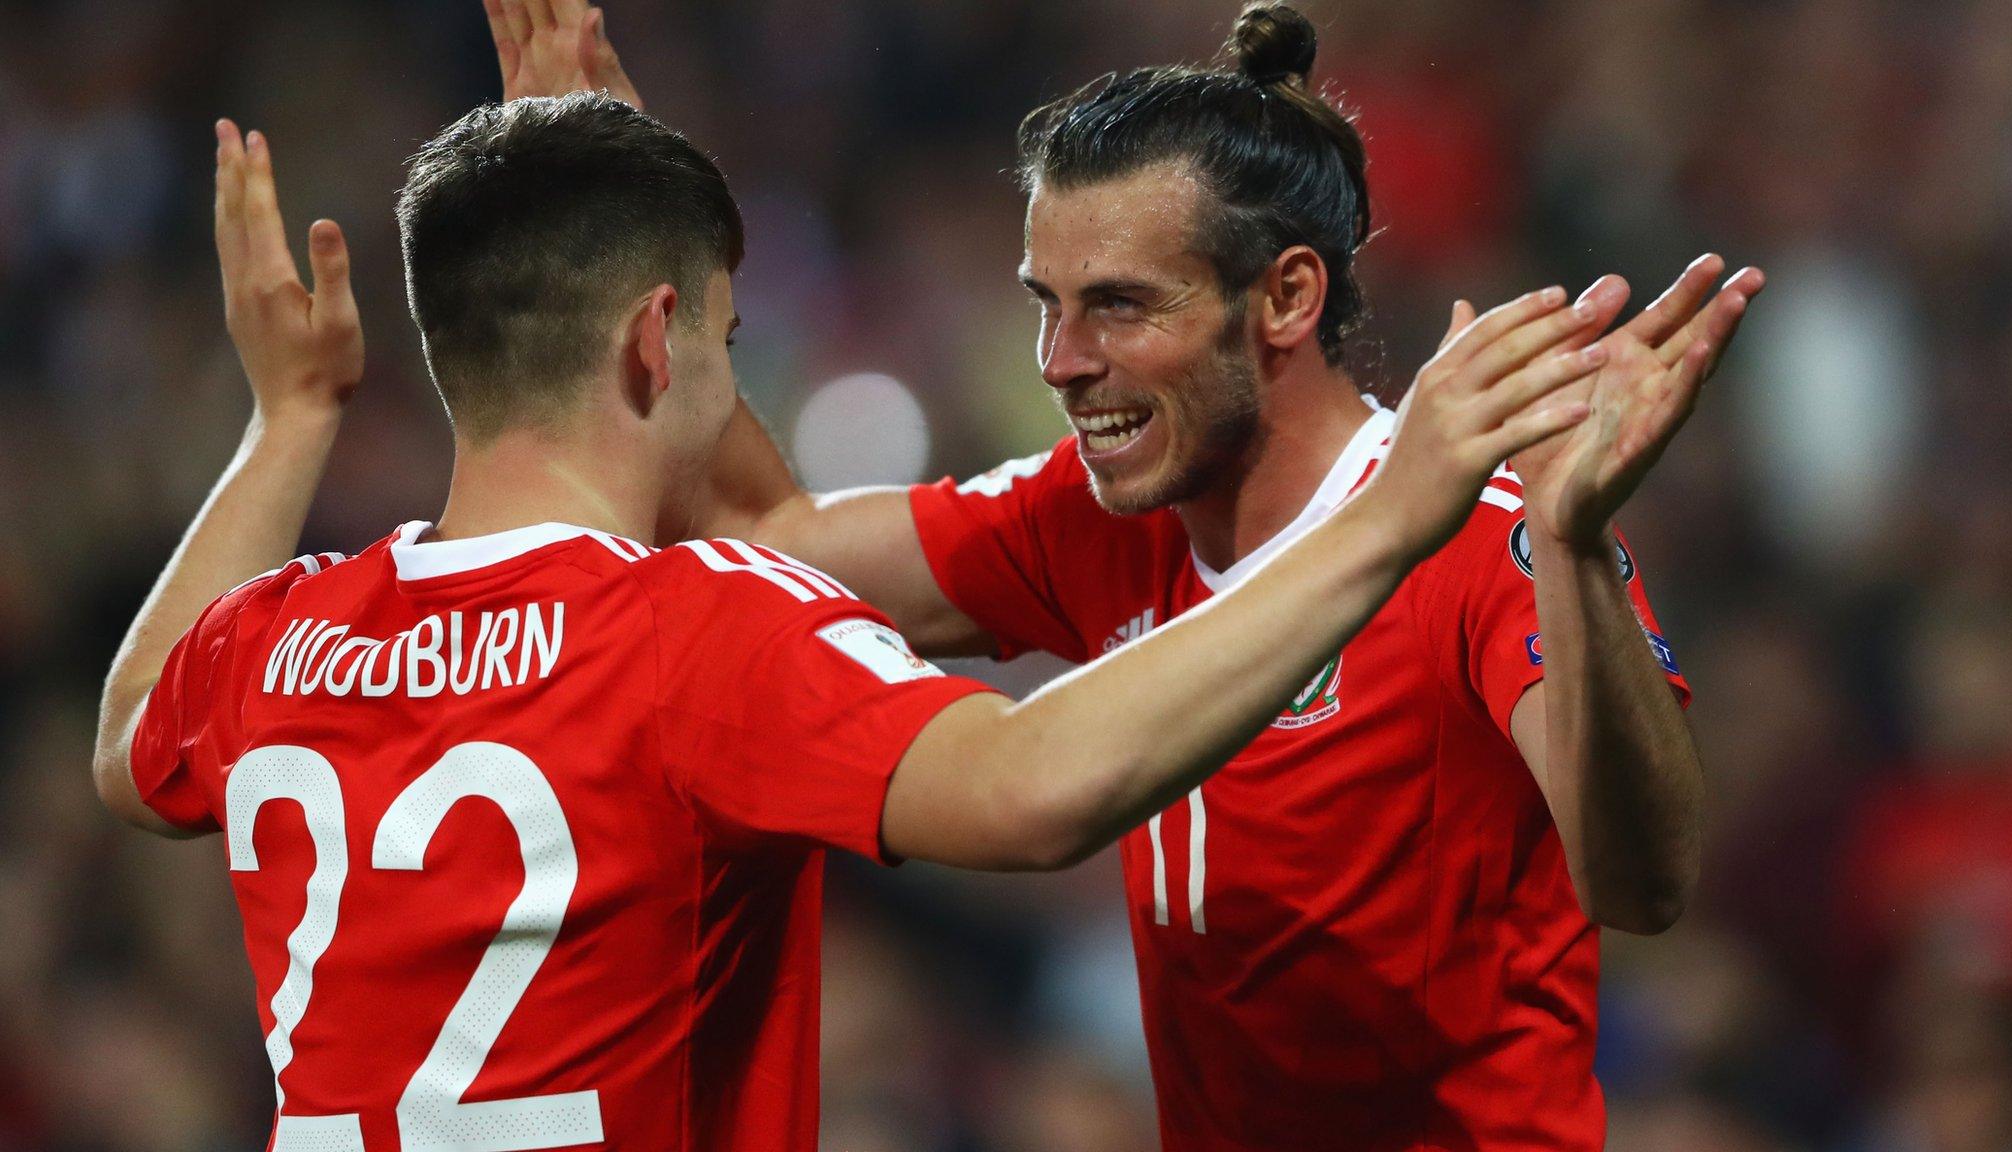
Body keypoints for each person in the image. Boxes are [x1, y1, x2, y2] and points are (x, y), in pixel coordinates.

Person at [90, 95, 1616, 1149]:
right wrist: (1395, 516)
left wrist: (288, 419)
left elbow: (126, 743)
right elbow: (1029, 792)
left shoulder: (281, 638)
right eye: (732, 341)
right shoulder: (695, 632)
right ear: (658, 339)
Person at [498, 1, 1769, 1147]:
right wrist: (622, 215)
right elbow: (757, 542)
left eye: (1115, 305)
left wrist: (1575, 548)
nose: (1058, 359)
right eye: (1045, 303)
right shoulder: (1101, 516)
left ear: (1281, 298)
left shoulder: (1485, 534)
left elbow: (1642, 886)